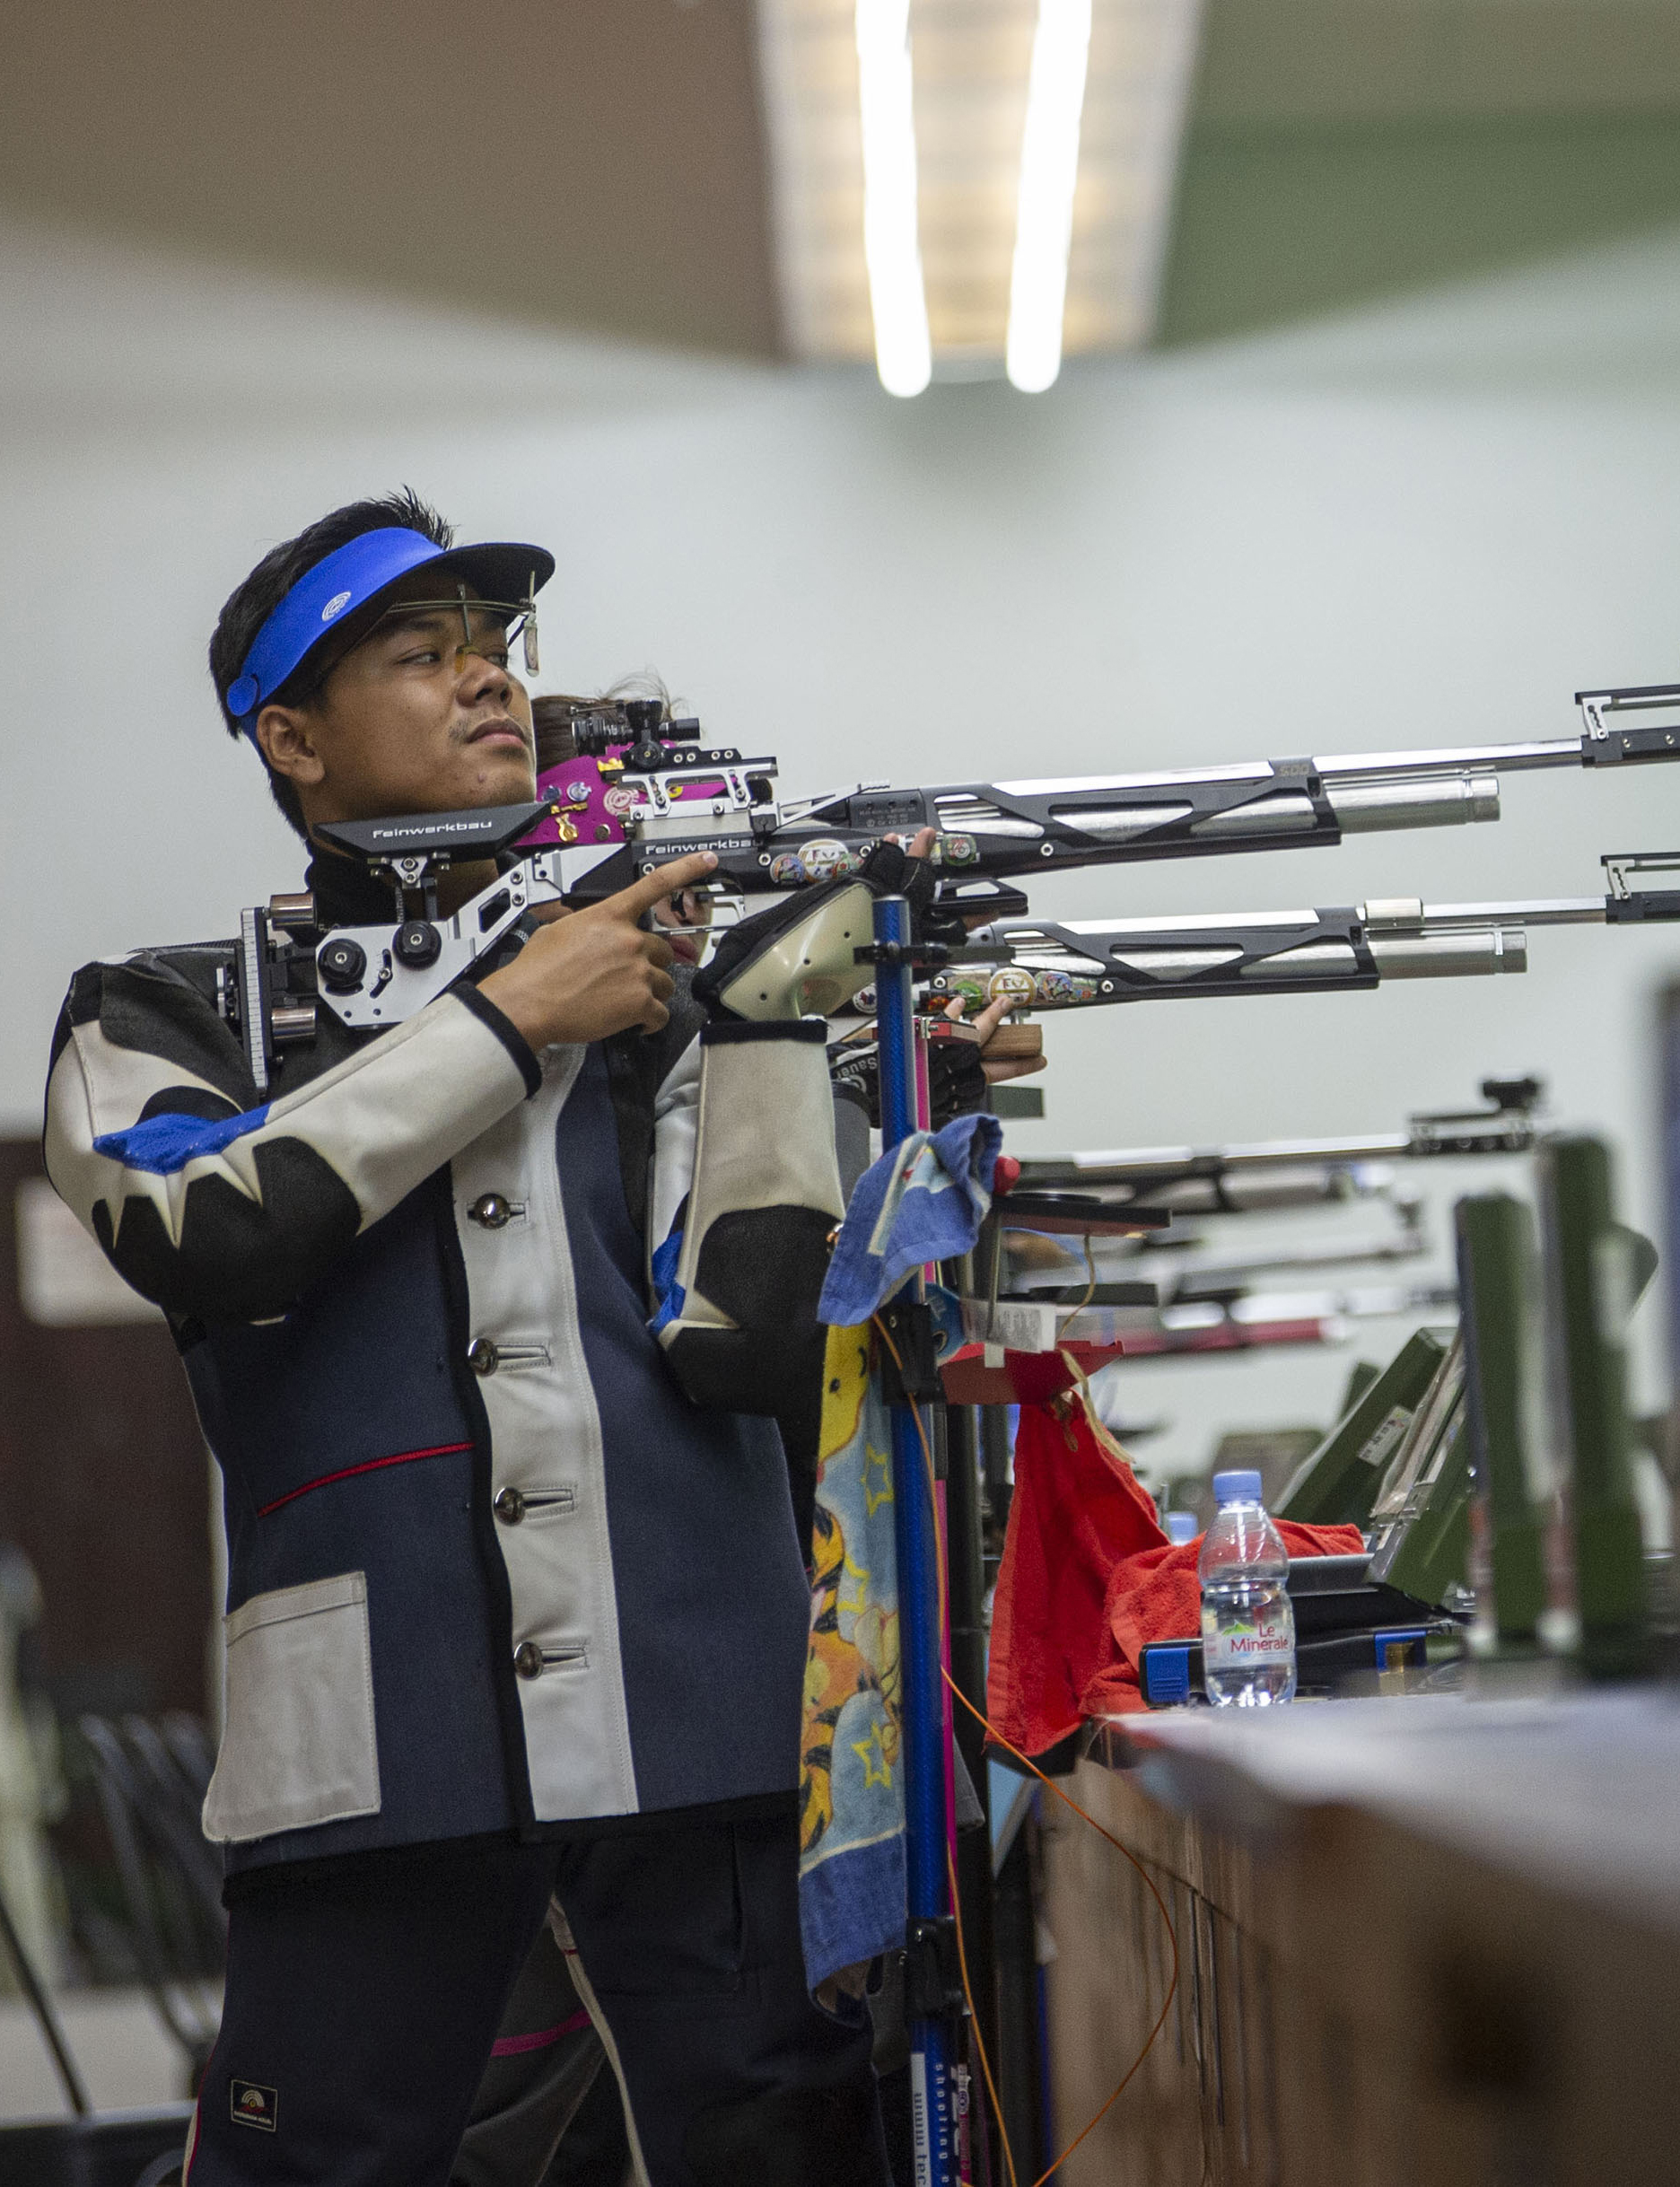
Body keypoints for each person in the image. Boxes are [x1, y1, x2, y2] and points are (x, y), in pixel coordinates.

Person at [43, 494, 897, 2186]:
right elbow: (204, 1219)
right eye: (421, 655)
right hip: (371, 1739)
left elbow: (740, 1330)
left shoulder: (656, 983)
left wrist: (781, 1027)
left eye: (498, 651)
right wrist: (514, 1015)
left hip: (700, 1699)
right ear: (290, 737)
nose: (488, 683)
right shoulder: (164, 1009)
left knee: (782, 2154)